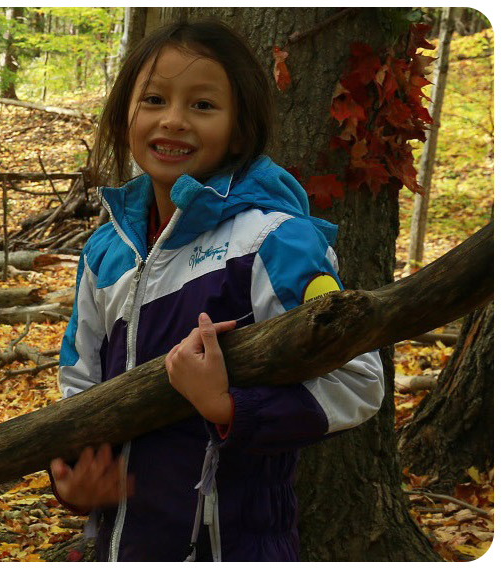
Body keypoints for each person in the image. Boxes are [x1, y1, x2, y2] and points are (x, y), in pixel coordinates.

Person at [49, 19, 384, 562]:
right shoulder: (104, 252)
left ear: (239, 126)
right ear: (124, 114)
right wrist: (72, 475)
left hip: (237, 545)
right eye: (154, 99)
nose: (174, 120)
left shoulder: (274, 240)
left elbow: (360, 380)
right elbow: (78, 386)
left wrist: (230, 407)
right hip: (122, 547)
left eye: (203, 105)